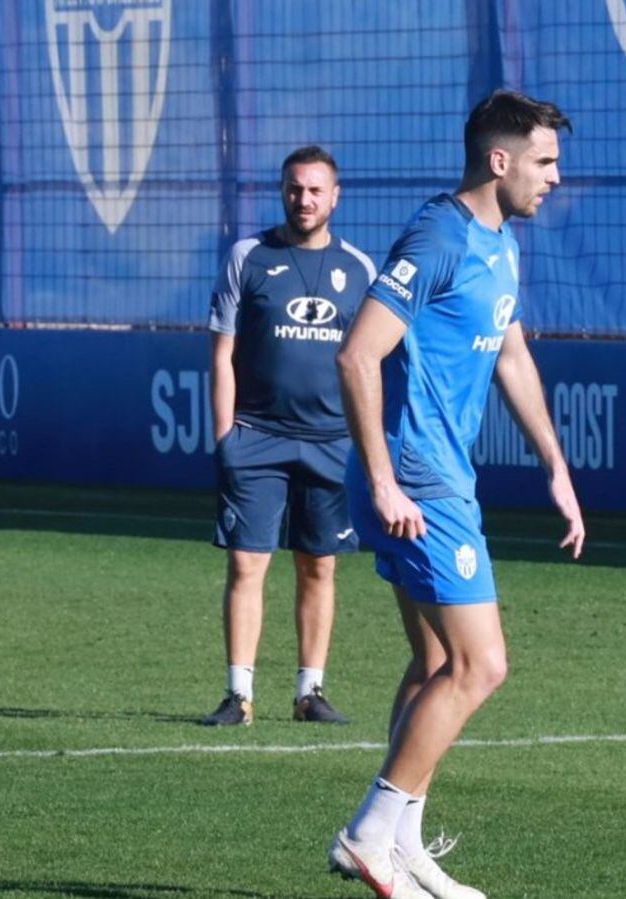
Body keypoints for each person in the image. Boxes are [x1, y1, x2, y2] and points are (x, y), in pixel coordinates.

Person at [328, 91, 585, 899]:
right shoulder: (437, 235)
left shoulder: (502, 243)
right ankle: (371, 831)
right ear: (498, 159)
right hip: (419, 479)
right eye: (545, 161)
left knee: (437, 659)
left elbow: (511, 354)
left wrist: (554, 462)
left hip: (440, 475)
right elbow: (356, 356)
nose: (555, 177)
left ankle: (400, 840)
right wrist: (381, 480)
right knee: (482, 663)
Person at [202, 145, 375, 726]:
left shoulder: (360, 269)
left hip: (331, 443)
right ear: (282, 191)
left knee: (318, 566)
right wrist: (225, 437)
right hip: (256, 437)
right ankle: (238, 696)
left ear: (336, 196)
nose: (304, 199)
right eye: (295, 188)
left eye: (315, 190)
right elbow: (221, 354)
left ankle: (310, 693)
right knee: (248, 566)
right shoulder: (247, 257)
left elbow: (371, 362)